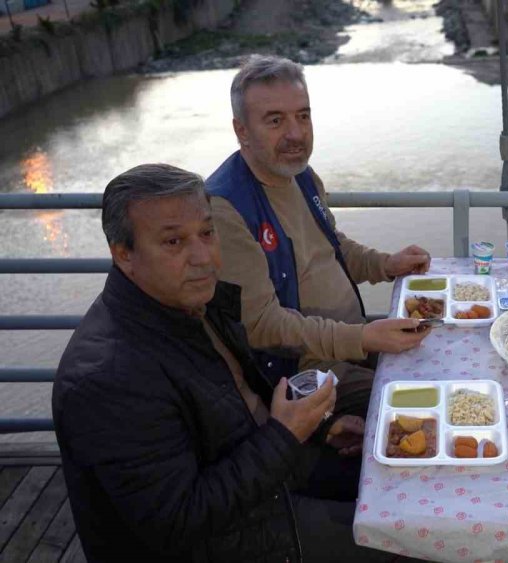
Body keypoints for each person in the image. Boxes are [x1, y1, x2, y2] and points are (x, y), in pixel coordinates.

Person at [52, 164, 387, 562]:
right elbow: (180, 521)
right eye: (174, 242)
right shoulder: (106, 378)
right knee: (399, 538)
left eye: (207, 234)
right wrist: (285, 435)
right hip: (229, 540)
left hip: (270, 483)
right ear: (124, 254)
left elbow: (235, 415)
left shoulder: (196, 304)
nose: (203, 258)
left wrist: (317, 428)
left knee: (401, 477)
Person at [207, 54, 432, 423]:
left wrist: (384, 264)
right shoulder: (226, 208)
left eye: (303, 116)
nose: (296, 134)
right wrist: (362, 339)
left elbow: (332, 246)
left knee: (437, 358)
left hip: (350, 343)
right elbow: (262, 325)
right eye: (276, 120)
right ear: (241, 130)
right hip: (306, 371)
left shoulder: (301, 175)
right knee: (414, 409)